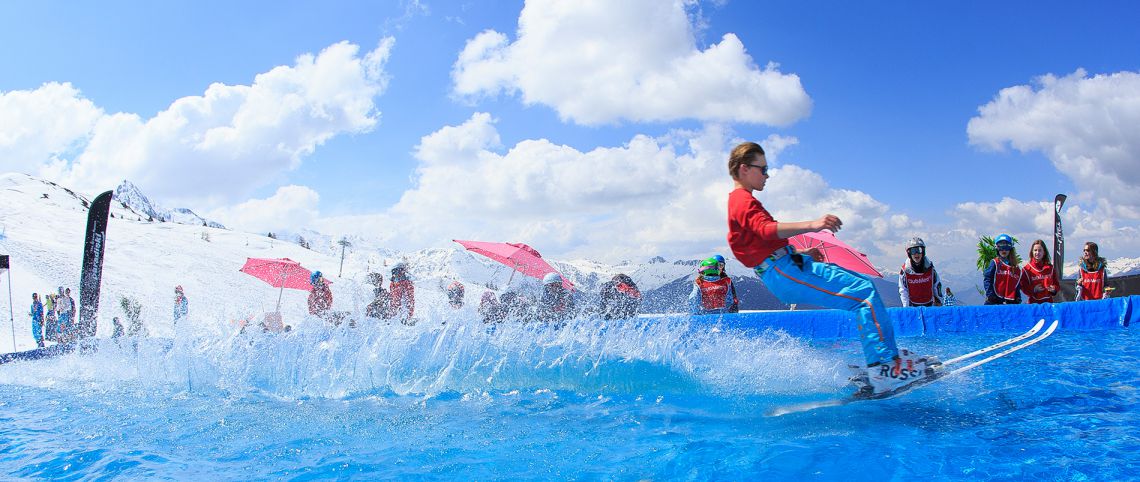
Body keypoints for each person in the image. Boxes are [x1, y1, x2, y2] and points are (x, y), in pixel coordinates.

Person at [724, 141, 937, 396]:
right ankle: (884, 368)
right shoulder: (741, 200)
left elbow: (759, 245)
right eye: (764, 168)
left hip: (787, 266)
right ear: (745, 169)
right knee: (865, 296)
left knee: (863, 289)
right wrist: (814, 224)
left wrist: (803, 254)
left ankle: (881, 361)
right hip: (783, 272)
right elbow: (765, 230)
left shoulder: (741, 202)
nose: (767, 174)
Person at [897, 237, 943, 307]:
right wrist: (906, 307)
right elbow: (903, 289)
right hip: (913, 306)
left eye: (919, 250)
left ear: (923, 251)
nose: (916, 254)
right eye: (913, 251)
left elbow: (936, 285)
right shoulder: (905, 271)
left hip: (929, 305)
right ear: (909, 253)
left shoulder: (930, 268)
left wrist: (939, 300)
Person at [983, 234, 1022, 305]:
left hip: (1010, 302)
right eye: (1001, 247)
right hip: (994, 301)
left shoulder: (1015, 268)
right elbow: (988, 279)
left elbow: (1016, 285)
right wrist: (990, 296)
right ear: (997, 248)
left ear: (1011, 248)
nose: (1004, 250)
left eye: (1007, 247)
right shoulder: (995, 263)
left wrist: (1017, 297)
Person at [1020, 239, 1058, 304]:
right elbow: (1024, 288)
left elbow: (1056, 284)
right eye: (1035, 250)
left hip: (1049, 303)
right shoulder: (1026, 269)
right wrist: (1034, 289)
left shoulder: (1050, 268)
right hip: (1033, 304)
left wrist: (1054, 289)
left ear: (1044, 252)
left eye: (1040, 250)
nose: (1037, 253)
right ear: (1032, 252)